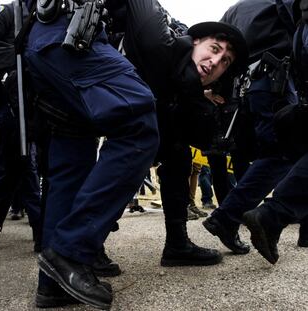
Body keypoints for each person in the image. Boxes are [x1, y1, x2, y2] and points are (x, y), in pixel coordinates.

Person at [23, 0, 160, 308]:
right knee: (138, 122)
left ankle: (54, 285)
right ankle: (70, 251)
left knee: (73, 157)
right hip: (71, 34)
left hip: (51, 38)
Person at [121, 0, 248, 267]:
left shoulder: (190, 88)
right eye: (213, 49)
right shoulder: (157, 42)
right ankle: (81, 247)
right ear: (193, 42)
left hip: (155, 113)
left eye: (224, 61)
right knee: (128, 155)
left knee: (177, 156)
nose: (215, 62)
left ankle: (177, 243)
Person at [202, 0, 302, 255]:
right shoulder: (279, 2)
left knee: (270, 155)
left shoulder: (235, 9)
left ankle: (233, 218)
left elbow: (221, 48)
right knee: (281, 154)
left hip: (244, 89)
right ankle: (229, 218)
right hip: (274, 81)